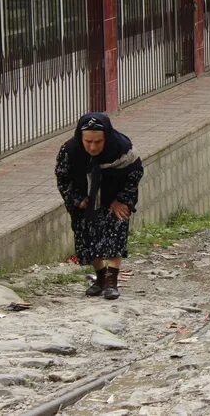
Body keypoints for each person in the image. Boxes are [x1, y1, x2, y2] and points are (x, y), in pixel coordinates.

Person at [55, 113, 144, 300]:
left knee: (115, 230)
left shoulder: (121, 149)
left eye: (98, 141)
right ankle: (101, 278)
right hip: (86, 200)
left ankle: (112, 281)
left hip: (115, 198)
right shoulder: (70, 151)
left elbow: (135, 173)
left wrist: (122, 200)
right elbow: (62, 177)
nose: (92, 146)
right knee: (87, 237)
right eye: (88, 141)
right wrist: (77, 199)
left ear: (107, 138)